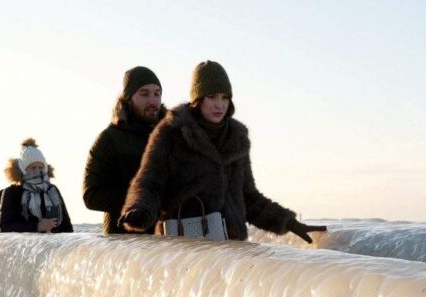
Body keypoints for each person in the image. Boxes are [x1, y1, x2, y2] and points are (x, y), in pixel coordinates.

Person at [120, 60, 323, 242]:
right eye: (212, 97)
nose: (219, 105)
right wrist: (140, 210)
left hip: (230, 246)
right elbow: (149, 183)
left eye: (225, 97)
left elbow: (248, 197)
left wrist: (288, 222)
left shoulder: (237, 138)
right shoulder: (171, 132)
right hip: (184, 245)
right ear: (198, 99)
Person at [83, 66, 167, 234]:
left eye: (157, 94)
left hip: (168, 241)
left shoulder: (171, 135)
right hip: (124, 243)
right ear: (128, 98)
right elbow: (91, 195)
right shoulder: (109, 140)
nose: (153, 101)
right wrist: (140, 198)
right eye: (144, 94)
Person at [0, 140, 72, 233]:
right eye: (33, 168)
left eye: (41, 167)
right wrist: (37, 226)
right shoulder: (12, 193)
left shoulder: (52, 190)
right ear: (23, 170)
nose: (38, 171)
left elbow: (67, 226)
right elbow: (4, 228)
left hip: (55, 241)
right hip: (26, 243)